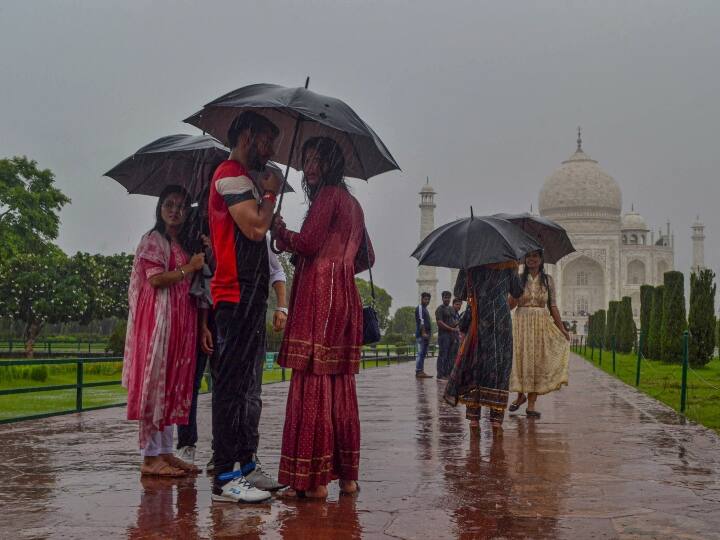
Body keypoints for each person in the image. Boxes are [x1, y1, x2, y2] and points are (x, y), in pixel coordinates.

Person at [272, 136, 374, 499]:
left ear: (331, 165)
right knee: (339, 385)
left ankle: (312, 482)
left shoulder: (328, 196)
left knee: (313, 381)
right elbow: (368, 258)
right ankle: (347, 478)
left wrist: (280, 231)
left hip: (319, 295)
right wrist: (340, 265)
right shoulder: (354, 204)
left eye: (318, 160)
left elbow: (309, 242)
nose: (310, 167)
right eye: (307, 161)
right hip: (345, 294)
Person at [208, 111, 283, 503]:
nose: (272, 151)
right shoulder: (229, 173)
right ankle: (224, 475)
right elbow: (254, 226)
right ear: (249, 136)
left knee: (245, 386)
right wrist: (269, 195)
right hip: (234, 294)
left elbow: (261, 229)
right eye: (269, 141)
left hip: (251, 296)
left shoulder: (247, 180)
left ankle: (246, 465)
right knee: (231, 388)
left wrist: (267, 198)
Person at [175, 234, 288, 472]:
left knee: (245, 390)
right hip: (210, 315)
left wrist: (282, 306)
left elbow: (276, 271)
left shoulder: (255, 236)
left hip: (244, 315)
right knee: (208, 386)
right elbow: (204, 286)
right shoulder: (204, 238)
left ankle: (243, 455)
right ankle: (208, 452)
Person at [122, 185, 205, 477]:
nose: (175, 210)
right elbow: (155, 280)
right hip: (157, 323)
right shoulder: (152, 241)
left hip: (179, 324)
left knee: (170, 385)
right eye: (169, 204)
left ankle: (166, 451)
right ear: (160, 208)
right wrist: (189, 268)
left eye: (181, 206)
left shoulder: (181, 244)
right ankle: (149, 458)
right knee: (154, 385)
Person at [443, 262, 523, 436]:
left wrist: (468, 273)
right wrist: (515, 271)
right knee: (500, 365)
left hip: (478, 317)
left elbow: (459, 292)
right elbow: (517, 292)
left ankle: (473, 419)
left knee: (475, 363)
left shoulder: (472, 262)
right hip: (501, 319)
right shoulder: (508, 263)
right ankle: (496, 420)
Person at [508, 250, 570, 418]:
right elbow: (511, 305)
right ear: (524, 259)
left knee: (536, 361)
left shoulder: (547, 280)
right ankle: (520, 396)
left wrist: (562, 328)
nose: (531, 259)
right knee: (521, 359)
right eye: (528, 256)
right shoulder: (518, 278)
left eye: (535, 256)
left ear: (541, 259)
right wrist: (515, 289)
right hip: (521, 321)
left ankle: (531, 404)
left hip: (541, 323)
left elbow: (553, 306)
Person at [435, 291, 460, 380]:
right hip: (443, 335)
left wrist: (457, 324)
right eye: (445, 298)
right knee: (443, 355)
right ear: (442, 298)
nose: (447, 299)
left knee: (450, 356)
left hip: (451, 336)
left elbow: (454, 321)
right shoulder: (439, 309)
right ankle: (440, 374)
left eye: (449, 298)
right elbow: (439, 323)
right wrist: (451, 328)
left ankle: (446, 373)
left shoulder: (451, 309)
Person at [414, 293, 433, 378]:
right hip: (422, 335)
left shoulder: (425, 309)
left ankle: (421, 371)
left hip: (425, 335)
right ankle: (419, 371)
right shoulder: (420, 308)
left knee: (423, 354)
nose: (427, 301)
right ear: (421, 299)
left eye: (428, 299)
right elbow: (421, 321)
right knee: (420, 353)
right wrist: (423, 333)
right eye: (425, 299)